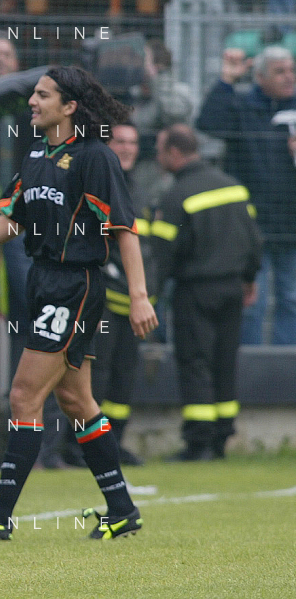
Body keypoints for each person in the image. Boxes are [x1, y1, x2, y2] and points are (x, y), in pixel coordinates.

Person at [0, 66, 156, 541]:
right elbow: (11, 220)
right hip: (44, 281)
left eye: (43, 95)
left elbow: (124, 229)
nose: (32, 101)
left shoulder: (95, 157)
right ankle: (121, 509)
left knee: (23, 396)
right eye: (34, 94)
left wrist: (139, 297)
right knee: (76, 400)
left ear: (69, 107)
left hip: (74, 285)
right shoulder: (35, 153)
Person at [152, 124, 262, 460]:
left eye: (159, 151)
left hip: (195, 291)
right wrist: (249, 279)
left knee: (195, 361)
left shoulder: (176, 196)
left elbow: (161, 256)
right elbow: (254, 241)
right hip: (232, 288)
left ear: (174, 153)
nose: (157, 158)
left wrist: (149, 297)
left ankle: (198, 442)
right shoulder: (234, 187)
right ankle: (221, 437)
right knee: (225, 361)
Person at [196, 46, 296, 345]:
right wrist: (226, 81)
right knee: (252, 302)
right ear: (260, 77)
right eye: (280, 71)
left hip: (292, 226)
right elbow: (208, 123)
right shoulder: (242, 106)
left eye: (292, 70)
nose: (289, 77)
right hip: (251, 226)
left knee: (292, 300)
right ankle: (249, 363)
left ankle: (287, 365)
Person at [88, 123, 156, 466]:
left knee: (124, 376)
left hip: (135, 304)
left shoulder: (138, 189)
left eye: (133, 142)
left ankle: (113, 442)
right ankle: (86, 446)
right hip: (102, 300)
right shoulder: (97, 185)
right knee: (96, 374)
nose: (128, 148)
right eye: (120, 141)